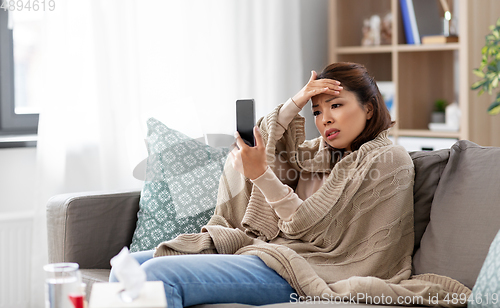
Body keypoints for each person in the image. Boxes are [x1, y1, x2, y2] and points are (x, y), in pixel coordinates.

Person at [110, 62, 469, 308]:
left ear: (370, 109)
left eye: (336, 105)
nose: (324, 118)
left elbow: (303, 223)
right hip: (272, 253)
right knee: (125, 266)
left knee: (156, 273)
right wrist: (296, 100)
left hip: (308, 269)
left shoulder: (387, 159)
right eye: (316, 111)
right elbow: (269, 137)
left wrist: (260, 176)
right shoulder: (315, 154)